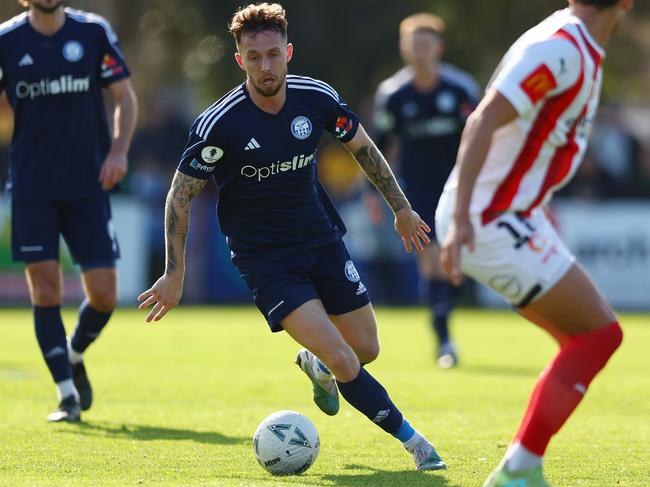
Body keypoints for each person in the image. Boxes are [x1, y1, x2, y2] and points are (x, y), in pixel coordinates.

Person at [138, 2, 445, 471]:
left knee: (366, 350)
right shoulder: (220, 124)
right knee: (346, 359)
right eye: (254, 56)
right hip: (267, 262)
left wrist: (401, 208)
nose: (265, 65)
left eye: (273, 54)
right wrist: (174, 274)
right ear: (239, 59)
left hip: (320, 239)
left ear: (289, 53)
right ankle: (416, 444)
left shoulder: (316, 99)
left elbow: (364, 147)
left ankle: (316, 364)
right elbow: (179, 198)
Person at [435, 1, 632, 485]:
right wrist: (462, 221)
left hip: (511, 214)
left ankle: (524, 466)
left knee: (585, 339)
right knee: (598, 335)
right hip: (491, 219)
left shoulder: (574, 44)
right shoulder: (562, 49)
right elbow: (482, 120)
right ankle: (519, 469)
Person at [1, 0, 137, 422]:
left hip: (87, 185)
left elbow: (125, 98)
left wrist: (118, 151)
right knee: (45, 291)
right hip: (32, 188)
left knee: (104, 294)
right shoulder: (6, 41)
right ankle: (66, 396)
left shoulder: (92, 32)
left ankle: (75, 354)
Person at [373, 13, 479, 368]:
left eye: (425, 44)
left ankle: (446, 316)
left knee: (451, 267)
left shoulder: (460, 90)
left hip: (457, 189)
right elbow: (376, 150)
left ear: (438, 48)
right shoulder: (393, 95)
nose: (418, 52)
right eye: (412, 45)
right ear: (404, 49)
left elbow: (479, 141)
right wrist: (374, 195)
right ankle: (444, 339)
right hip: (414, 192)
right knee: (430, 261)